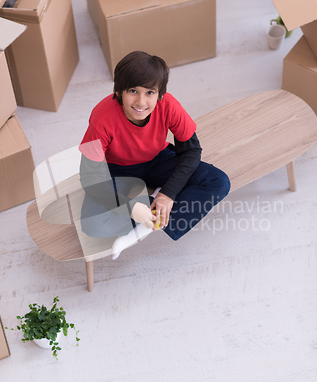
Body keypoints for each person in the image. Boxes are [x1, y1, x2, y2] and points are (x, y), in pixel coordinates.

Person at [79, 51, 230, 259]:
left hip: (157, 160)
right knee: (91, 224)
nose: (141, 102)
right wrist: (131, 208)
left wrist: (168, 194)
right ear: (119, 91)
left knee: (218, 181)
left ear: (159, 94)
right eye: (133, 91)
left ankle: (144, 226)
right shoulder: (101, 117)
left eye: (150, 92)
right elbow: (89, 178)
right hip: (116, 169)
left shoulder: (168, 105)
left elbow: (191, 150)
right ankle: (148, 211)